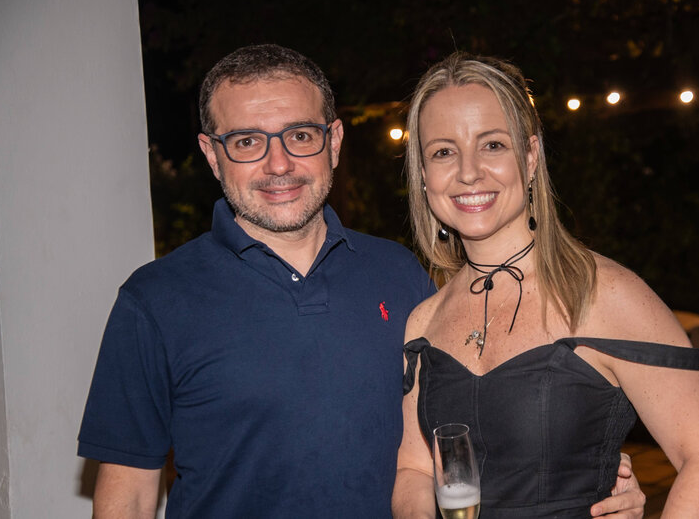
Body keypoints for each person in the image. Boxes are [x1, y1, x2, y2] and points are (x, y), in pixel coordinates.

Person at [77, 45, 644, 518]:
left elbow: (479, 418)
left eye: (299, 135)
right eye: (247, 141)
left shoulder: (402, 276)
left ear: (334, 141)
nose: (278, 164)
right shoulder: (153, 301)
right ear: (211, 153)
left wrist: (594, 476)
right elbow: (126, 492)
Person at [393, 52, 699, 518]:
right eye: (443, 151)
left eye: (493, 145)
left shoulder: (604, 293)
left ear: (530, 155)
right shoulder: (424, 320)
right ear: (424, 175)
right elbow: (415, 469)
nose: (468, 171)